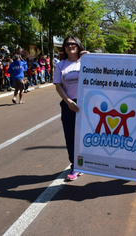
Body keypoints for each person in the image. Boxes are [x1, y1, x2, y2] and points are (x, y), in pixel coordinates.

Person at [53, 35, 88, 181]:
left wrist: (92, 58)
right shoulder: (61, 65)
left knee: (88, 136)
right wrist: (68, 102)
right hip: (69, 105)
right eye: (67, 44)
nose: (70, 46)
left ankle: (90, 163)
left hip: (87, 104)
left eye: (73, 44)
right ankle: (76, 166)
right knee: (71, 137)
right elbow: (58, 86)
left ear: (78, 45)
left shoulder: (86, 61)